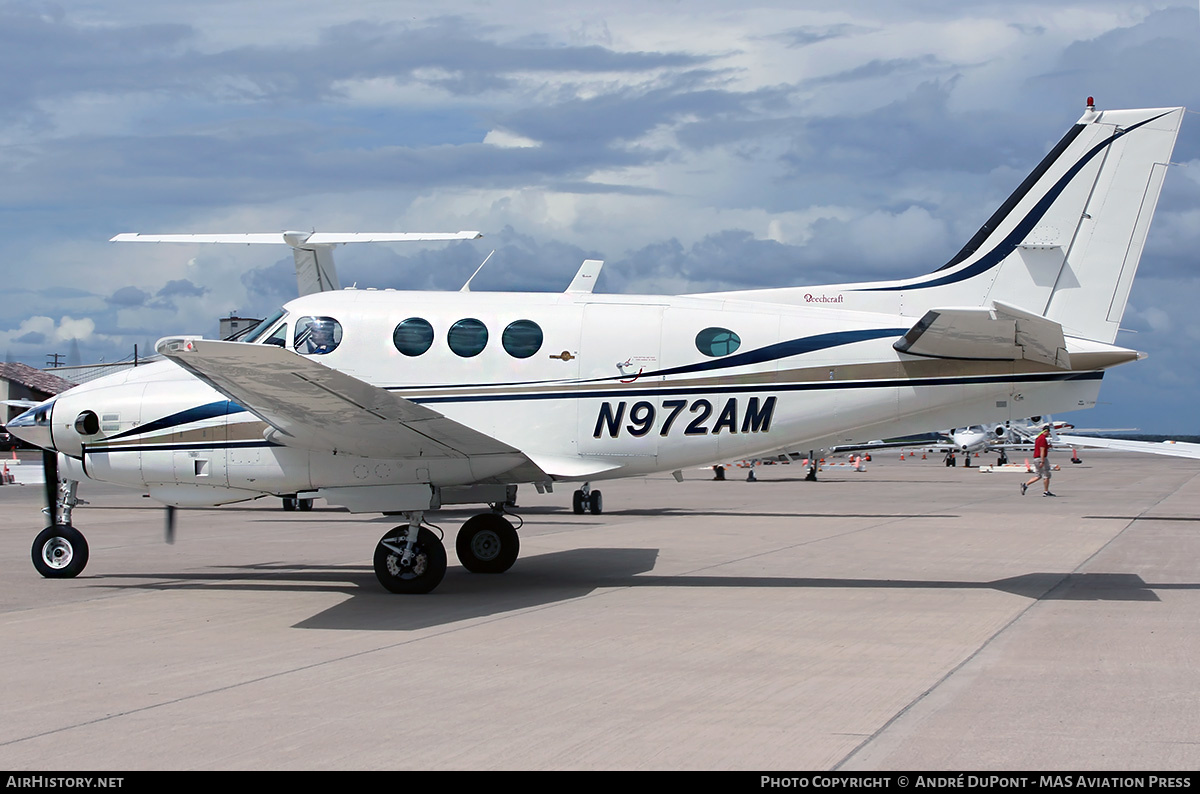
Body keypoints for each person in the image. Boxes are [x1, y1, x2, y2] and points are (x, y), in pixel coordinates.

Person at [1021, 424, 1055, 497]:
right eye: (1048, 432)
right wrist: (1042, 461)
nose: (1049, 434)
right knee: (1046, 475)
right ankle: (1046, 491)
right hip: (1040, 458)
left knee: (1038, 475)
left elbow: (1040, 447)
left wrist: (1048, 446)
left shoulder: (1038, 438)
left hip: (1036, 458)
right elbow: (1042, 450)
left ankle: (1025, 485)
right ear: (1046, 431)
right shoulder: (1042, 439)